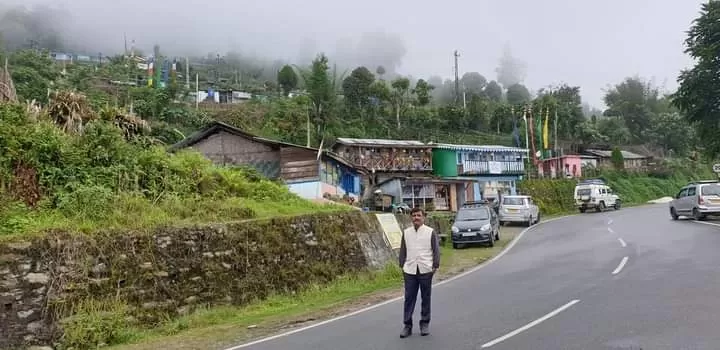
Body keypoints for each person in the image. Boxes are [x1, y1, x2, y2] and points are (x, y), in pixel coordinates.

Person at [398, 207, 440, 338]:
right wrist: (402, 265)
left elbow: (436, 250)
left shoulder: (430, 232)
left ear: (423, 217)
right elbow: (403, 250)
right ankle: (407, 325)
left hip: (426, 269)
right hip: (409, 269)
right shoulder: (406, 233)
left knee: (425, 297)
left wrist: (435, 266)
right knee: (409, 298)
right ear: (411, 217)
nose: (416, 218)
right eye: (414, 215)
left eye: (418, 215)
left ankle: (424, 323)